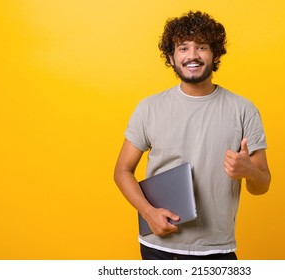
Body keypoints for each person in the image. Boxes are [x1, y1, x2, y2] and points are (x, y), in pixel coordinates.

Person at [114, 11, 271, 260]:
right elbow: (122, 170)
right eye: (183, 48)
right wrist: (148, 213)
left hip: (217, 251)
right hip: (159, 248)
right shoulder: (149, 108)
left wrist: (249, 171)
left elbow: (262, 185)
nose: (192, 55)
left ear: (216, 54)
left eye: (202, 47)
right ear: (171, 56)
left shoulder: (244, 110)